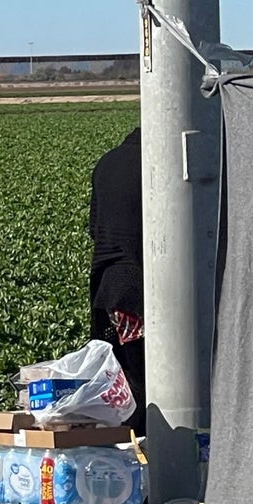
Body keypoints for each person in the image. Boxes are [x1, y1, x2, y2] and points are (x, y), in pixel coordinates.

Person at [88, 127, 146, 434]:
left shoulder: (106, 163)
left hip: (109, 289)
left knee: (124, 373)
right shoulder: (158, 161)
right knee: (147, 380)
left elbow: (94, 227)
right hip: (141, 288)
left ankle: (125, 445)